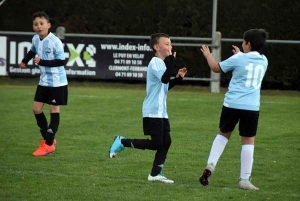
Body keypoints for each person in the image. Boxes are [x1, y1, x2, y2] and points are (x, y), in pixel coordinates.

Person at [109, 33, 187, 183]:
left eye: (170, 43)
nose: (170, 46)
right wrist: (172, 61)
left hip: (161, 112)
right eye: (166, 44)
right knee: (157, 143)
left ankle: (155, 174)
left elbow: (165, 85)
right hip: (152, 111)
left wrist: (177, 78)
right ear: (156, 47)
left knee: (166, 142)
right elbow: (164, 78)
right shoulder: (155, 62)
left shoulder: (162, 63)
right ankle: (122, 142)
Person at [199, 29, 268, 190]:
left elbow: (216, 68)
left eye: (243, 42)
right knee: (248, 141)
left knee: (223, 135)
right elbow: (246, 62)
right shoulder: (264, 60)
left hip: (231, 104)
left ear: (248, 44)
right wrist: (240, 54)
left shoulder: (238, 58)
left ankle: (211, 164)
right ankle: (244, 180)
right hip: (251, 107)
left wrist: (208, 55)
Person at [19, 11, 68, 157]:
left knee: (54, 111)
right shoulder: (35, 39)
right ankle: (49, 140)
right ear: (33, 27)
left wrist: (42, 62)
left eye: (41, 23)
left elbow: (61, 61)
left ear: (48, 25)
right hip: (44, 81)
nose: (39, 26)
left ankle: (48, 144)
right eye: (36, 24)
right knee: (36, 109)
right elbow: (33, 51)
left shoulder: (55, 42)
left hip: (57, 82)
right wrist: (24, 61)